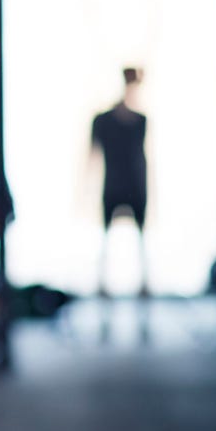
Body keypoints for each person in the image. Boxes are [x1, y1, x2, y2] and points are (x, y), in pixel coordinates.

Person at [90, 67, 149, 297]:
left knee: (139, 238)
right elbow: (92, 155)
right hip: (114, 185)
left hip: (134, 185)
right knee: (107, 237)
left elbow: (142, 158)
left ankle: (143, 283)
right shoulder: (103, 121)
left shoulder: (141, 121)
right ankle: (102, 283)